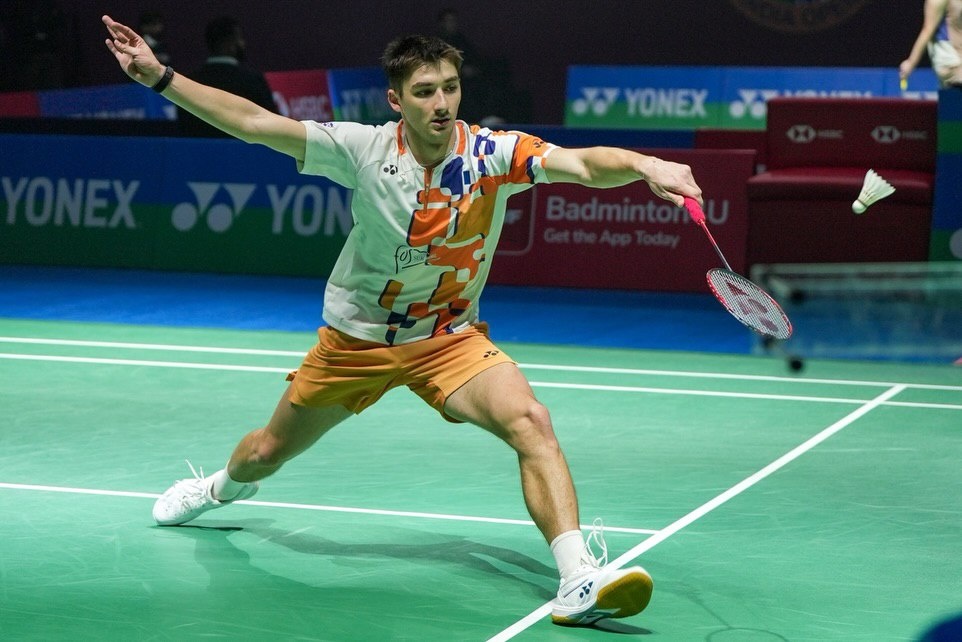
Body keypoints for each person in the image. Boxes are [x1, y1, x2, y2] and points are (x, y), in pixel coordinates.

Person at [102, 13, 702, 627]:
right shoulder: (362, 150)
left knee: (531, 421)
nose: (441, 103)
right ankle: (219, 489)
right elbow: (255, 123)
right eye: (424, 91)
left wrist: (645, 165)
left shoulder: (492, 154)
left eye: (450, 87)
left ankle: (578, 579)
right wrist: (162, 79)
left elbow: (584, 164)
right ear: (396, 100)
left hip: (448, 339)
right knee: (266, 451)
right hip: (356, 342)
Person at [177, 15, 278, 137]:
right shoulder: (253, 80)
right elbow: (273, 125)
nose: (243, 43)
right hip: (244, 148)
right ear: (229, 43)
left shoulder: (189, 81)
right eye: (239, 39)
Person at [900, 0, 962, 87]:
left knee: (949, 92)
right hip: (950, 56)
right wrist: (911, 62)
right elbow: (927, 30)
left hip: (957, 57)